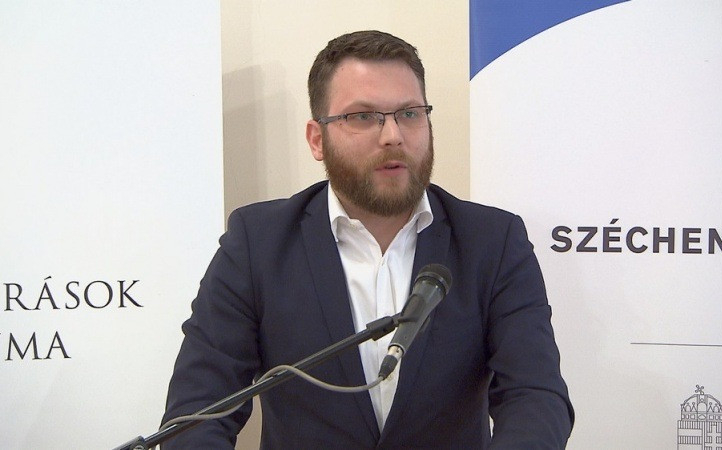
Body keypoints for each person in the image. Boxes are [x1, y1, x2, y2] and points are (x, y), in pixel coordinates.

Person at [162, 30, 574, 449]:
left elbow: (535, 396)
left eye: (409, 113)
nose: (393, 135)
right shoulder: (258, 243)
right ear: (317, 139)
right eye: (363, 116)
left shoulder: (493, 242)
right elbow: (197, 412)